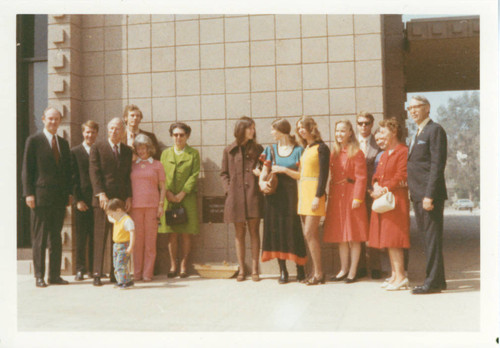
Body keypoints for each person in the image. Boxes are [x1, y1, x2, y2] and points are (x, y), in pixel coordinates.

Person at [22, 107, 72, 287]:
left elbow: (67, 172)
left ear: (60, 121)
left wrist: (69, 194)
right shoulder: (33, 141)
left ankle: (55, 275)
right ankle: (39, 276)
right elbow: (27, 169)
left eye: (56, 119)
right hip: (40, 197)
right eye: (50, 119)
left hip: (59, 199)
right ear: (43, 119)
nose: (53, 122)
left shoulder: (63, 144)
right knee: (40, 238)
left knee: (56, 238)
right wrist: (28, 193)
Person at [407, 95, 448, 294]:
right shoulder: (417, 133)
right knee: (428, 239)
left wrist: (429, 195)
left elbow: (437, 165)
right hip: (417, 194)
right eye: (410, 108)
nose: (413, 111)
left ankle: (431, 282)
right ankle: (438, 280)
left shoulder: (435, 130)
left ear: (427, 108)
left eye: (417, 107)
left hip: (428, 196)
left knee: (431, 239)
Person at [259, 118, 307, 284]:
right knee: (277, 230)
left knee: (293, 229)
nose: (272, 133)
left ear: (281, 131)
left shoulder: (299, 150)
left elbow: (301, 175)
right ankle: (283, 271)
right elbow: (264, 171)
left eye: (273, 129)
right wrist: (261, 183)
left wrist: (284, 170)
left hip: (291, 194)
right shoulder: (270, 149)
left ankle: (300, 268)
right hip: (274, 195)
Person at [89, 117, 133, 286]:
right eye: (112, 128)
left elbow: (128, 176)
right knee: (100, 236)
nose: (115, 132)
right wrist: (100, 194)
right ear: (108, 130)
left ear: (123, 132)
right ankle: (97, 274)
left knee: (119, 239)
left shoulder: (127, 151)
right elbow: (94, 172)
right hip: (103, 200)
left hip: (120, 202)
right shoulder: (97, 147)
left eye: (118, 129)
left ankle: (116, 273)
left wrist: (128, 196)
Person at [323, 120, 368, 283]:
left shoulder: (356, 152)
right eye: (337, 131)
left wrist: (357, 197)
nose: (339, 134)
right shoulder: (334, 151)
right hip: (337, 196)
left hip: (351, 195)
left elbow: (361, 177)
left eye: (343, 131)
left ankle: (353, 271)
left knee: (354, 235)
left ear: (350, 132)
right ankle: (343, 269)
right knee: (341, 235)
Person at [368, 118, 410, 291]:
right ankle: (395, 274)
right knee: (388, 239)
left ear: (393, 132)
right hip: (384, 200)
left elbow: (401, 175)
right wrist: (376, 185)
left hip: (395, 201)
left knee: (395, 239)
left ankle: (401, 277)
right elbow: (376, 175)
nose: (379, 135)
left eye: (383, 131)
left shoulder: (402, 151)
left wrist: (383, 189)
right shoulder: (385, 154)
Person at [221, 116, 263, 282]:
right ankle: (241, 270)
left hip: (253, 195)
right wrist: (229, 190)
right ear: (241, 130)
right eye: (249, 128)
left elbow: (264, 169)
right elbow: (223, 173)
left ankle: (254, 270)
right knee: (239, 234)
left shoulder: (259, 149)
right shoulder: (229, 150)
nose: (253, 131)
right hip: (235, 198)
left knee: (254, 232)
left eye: (253, 128)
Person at [158, 123, 200, 278]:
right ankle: (173, 265)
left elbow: (194, 175)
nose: (178, 138)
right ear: (171, 136)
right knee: (172, 233)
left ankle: (183, 265)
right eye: (175, 135)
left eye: (182, 135)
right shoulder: (165, 154)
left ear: (187, 136)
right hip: (168, 197)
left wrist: (183, 193)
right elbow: (161, 175)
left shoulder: (193, 154)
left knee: (186, 233)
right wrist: (168, 192)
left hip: (186, 197)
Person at [295, 116, 330, 285]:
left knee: (309, 233)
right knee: (310, 235)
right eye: (299, 128)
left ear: (311, 128)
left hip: (315, 194)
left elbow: (324, 174)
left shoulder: (322, 148)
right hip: (304, 193)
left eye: (303, 127)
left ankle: (319, 273)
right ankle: (314, 272)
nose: (301, 130)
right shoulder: (305, 148)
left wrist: (318, 196)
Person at [130, 134, 166, 282]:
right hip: (135, 207)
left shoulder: (157, 165)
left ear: (149, 148)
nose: (141, 150)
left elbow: (163, 187)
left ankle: (147, 273)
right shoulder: (132, 165)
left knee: (150, 242)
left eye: (143, 147)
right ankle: (137, 273)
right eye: (138, 147)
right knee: (137, 242)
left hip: (152, 206)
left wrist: (161, 205)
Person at [71, 120, 99, 281]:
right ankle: (80, 269)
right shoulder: (75, 152)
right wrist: (77, 200)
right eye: (87, 132)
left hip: (96, 201)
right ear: (83, 133)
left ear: (96, 133)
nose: (90, 135)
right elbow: (73, 178)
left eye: (93, 132)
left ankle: (94, 270)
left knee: (95, 236)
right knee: (81, 237)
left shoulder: (99, 150)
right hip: (82, 201)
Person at [356, 112, 382, 279]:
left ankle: (376, 267)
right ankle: (359, 267)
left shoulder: (378, 143)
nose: (363, 126)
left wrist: (374, 188)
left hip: (373, 192)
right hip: (356, 193)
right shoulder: (351, 143)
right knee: (357, 229)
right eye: (360, 123)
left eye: (367, 123)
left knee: (374, 229)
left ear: (372, 124)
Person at [106, 198, 135, 289]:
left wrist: (131, 246)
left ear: (118, 210)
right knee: (116, 264)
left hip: (124, 245)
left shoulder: (127, 220)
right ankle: (120, 280)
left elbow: (132, 233)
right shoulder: (117, 219)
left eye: (112, 214)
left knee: (121, 265)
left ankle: (126, 281)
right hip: (116, 245)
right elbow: (110, 218)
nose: (111, 216)